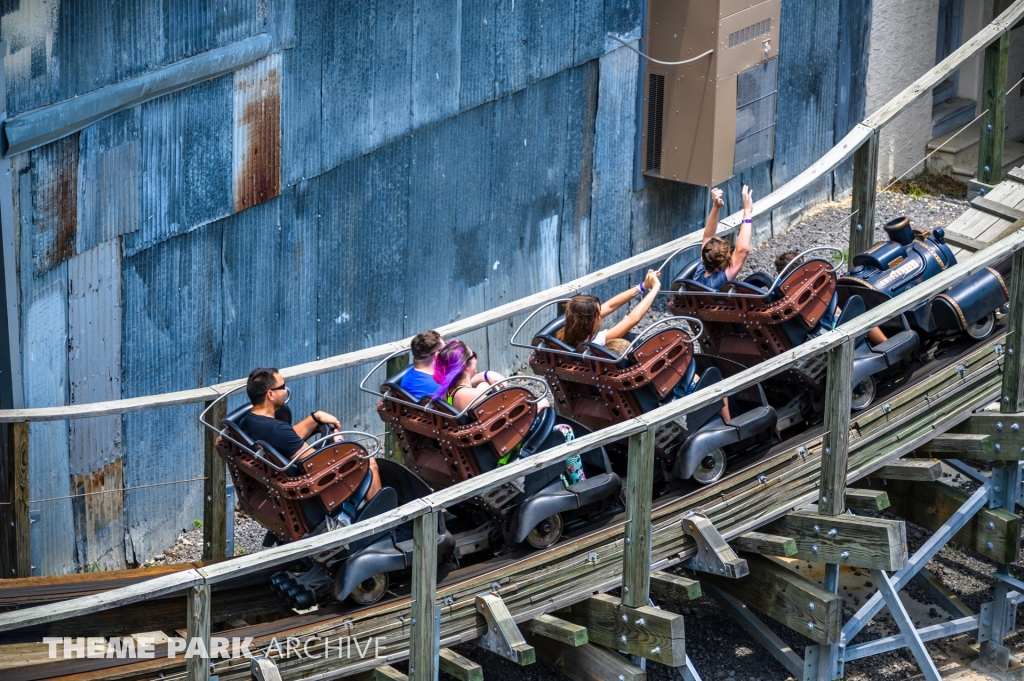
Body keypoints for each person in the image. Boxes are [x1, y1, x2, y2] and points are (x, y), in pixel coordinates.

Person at [243, 367, 381, 498]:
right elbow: (317, 461)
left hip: (276, 487)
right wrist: (338, 440)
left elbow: (288, 440)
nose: (285, 391)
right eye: (282, 387)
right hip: (309, 490)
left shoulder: (248, 423)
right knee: (369, 462)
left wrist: (315, 417)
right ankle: (381, 519)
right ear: (270, 394)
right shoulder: (277, 430)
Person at [774, 251, 888, 345]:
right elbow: (832, 311)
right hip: (827, 335)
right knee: (860, 316)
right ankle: (885, 343)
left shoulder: (781, 298)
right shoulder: (807, 291)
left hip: (804, 338)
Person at [557, 269, 662, 350]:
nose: (602, 313)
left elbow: (609, 306)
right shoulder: (597, 341)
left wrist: (643, 286)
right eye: (598, 313)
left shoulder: (564, 333)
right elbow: (632, 319)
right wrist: (655, 287)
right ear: (589, 322)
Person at [693, 185, 755, 289]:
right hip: (716, 303)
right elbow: (742, 250)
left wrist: (716, 207)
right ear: (719, 267)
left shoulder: (700, 270)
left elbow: (708, 237)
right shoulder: (720, 280)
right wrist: (747, 212)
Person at [400, 330, 444, 400]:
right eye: (444, 349)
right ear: (437, 355)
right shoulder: (439, 386)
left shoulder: (407, 375)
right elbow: (450, 404)